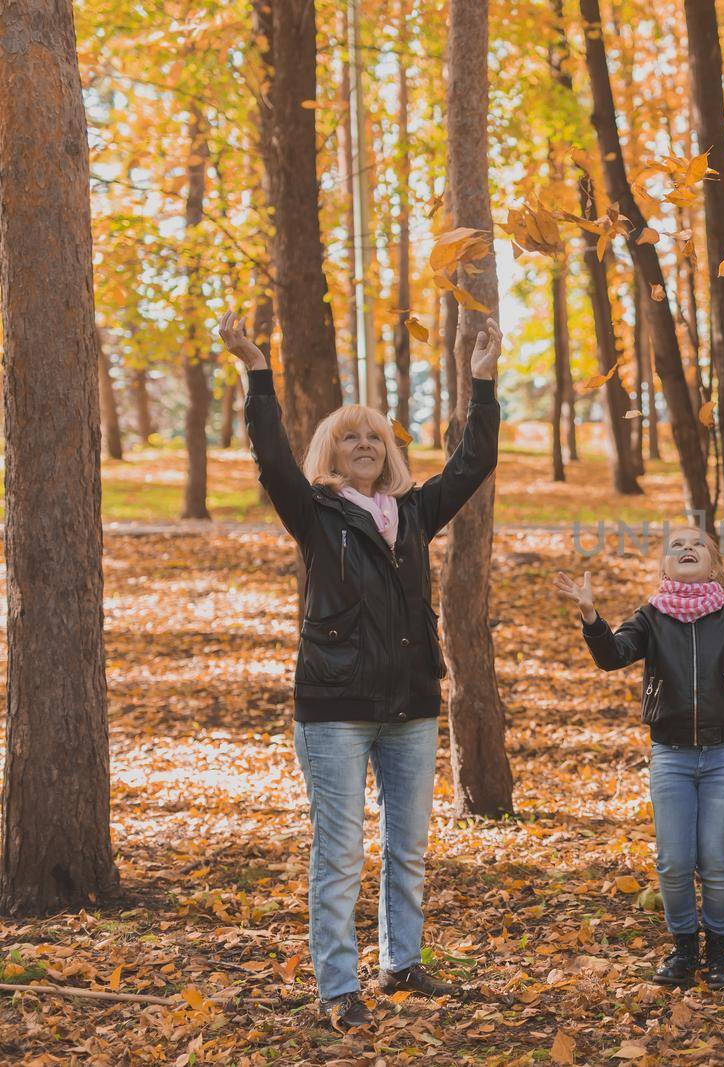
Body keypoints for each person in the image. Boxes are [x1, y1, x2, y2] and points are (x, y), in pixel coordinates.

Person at [217, 310, 502, 1030]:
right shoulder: (312, 511)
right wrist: (257, 369)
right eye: (350, 436)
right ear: (331, 451)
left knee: (407, 848)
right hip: (335, 708)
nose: (365, 444)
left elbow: (472, 463)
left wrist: (483, 380)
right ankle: (337, 985)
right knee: (339, 851)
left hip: (410, 704)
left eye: (375, 435)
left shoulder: (412, 511)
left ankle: (401, 963)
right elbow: (272, 456)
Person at [556, 527, 724, 989]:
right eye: (676, 545)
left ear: (713, 565)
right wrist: (591, 615)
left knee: (715, 858)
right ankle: (683, 947)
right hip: (671, 755)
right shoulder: (650, 617)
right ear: (664, 567)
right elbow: (613, 656)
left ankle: (720, 947)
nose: (687, 548)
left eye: (697, 544)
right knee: (674, 861)